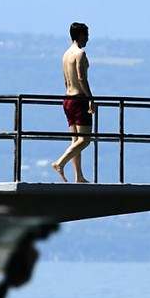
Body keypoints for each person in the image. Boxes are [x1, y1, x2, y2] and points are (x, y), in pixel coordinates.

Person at [52, 22, 95, 183]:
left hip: (68, 99)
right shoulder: (80, 54)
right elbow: (81, 78)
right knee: (85, 140)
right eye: (87, 36)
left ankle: (79, 176)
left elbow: (65, 80)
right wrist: (91, 100)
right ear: (81, 35)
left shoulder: (65, 55)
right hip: (79, 99)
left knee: (75, 140)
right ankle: (60, 163)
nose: (88, 39)